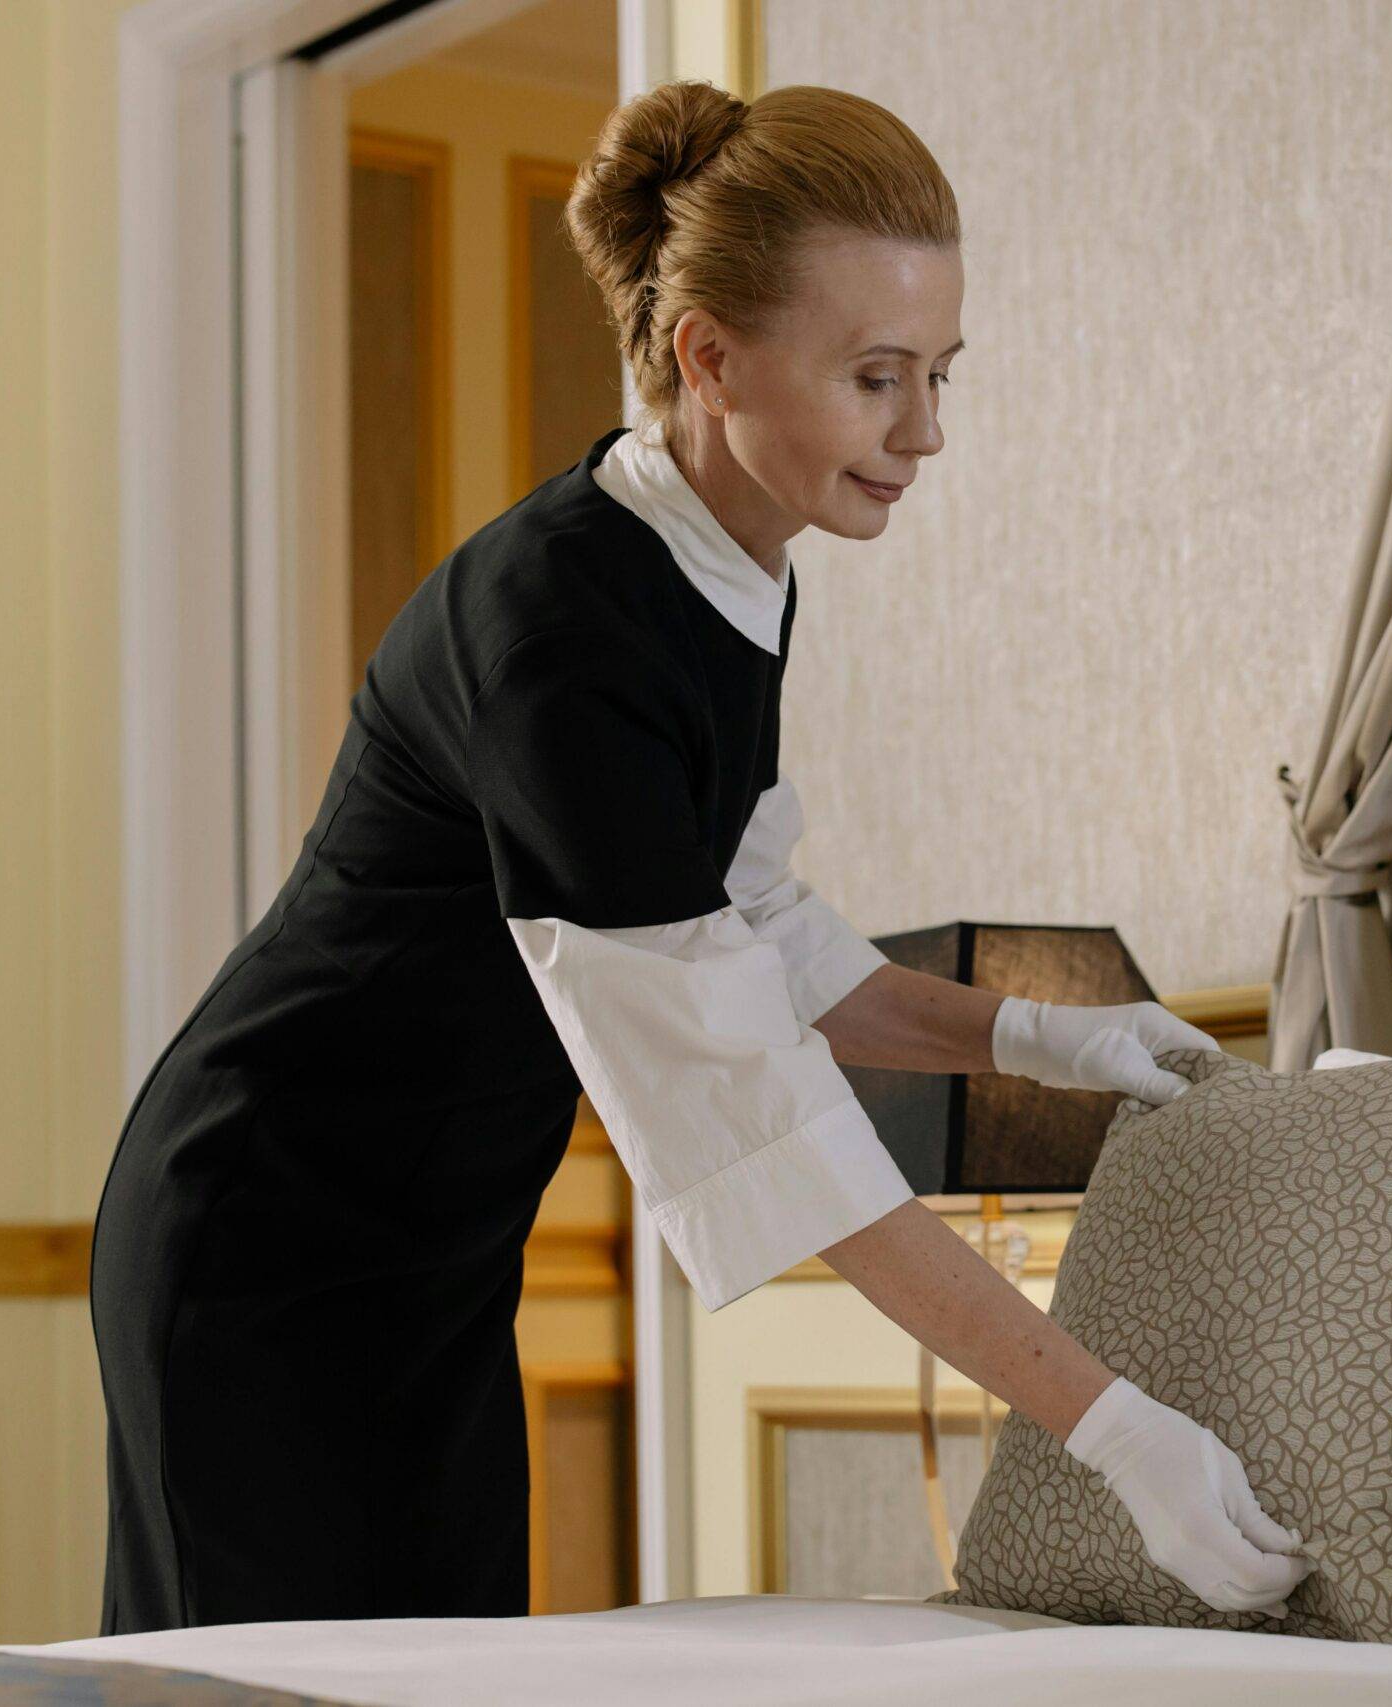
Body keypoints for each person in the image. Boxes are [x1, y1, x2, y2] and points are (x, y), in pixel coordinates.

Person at [88, 78, 1312, 1635]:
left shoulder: (733, 568)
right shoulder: (561, 636)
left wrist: (1036, 1037)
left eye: (940, 375)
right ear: (709, 356)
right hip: (264, 1232)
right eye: (878, 378)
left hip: (438, 1247)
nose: (925, 434)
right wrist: (1110, 1428)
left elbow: (760, 932)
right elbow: (758, 1115)